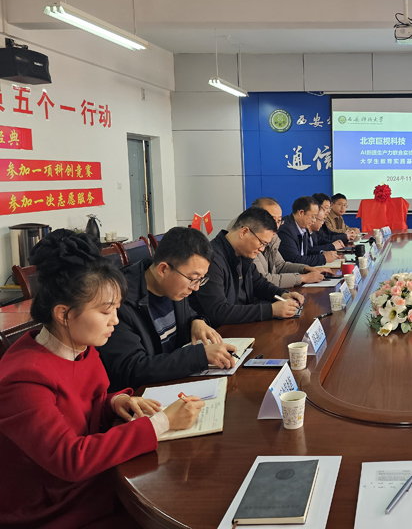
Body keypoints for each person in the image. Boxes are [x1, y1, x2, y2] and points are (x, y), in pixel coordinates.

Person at [0, 230, 204, 529]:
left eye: (117, 309)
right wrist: (162, 423)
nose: (115, 321)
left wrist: (114, 402)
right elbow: (71, 459)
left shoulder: (81, 347)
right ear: (63, 314)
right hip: (58, 507)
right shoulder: (22, 378)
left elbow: (83, 404)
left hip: (98, 481)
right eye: (106, 311)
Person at [98, 227, 239, 393]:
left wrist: (197, 321)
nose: (195, 288)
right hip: (142, 396)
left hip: (175, 383)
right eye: (193, 279)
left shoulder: (173, 288)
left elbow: (191, 314)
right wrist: (199, 356)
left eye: (201, 279)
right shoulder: (118, 301)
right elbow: (132, 369)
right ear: (163, 269)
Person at [190, 207, 304, 327]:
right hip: (219, 331)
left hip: (242, 325)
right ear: (244, 232)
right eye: (261, 243)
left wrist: (283, 294)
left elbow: (259, 284)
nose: (262, 249)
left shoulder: (243, 253)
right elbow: (219, 312)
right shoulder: (211, 260)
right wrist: (271, 310)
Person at [226, 197, 330, 288]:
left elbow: (280, 265)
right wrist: (302, 278)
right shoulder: (247, 240)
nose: (275, 226)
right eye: (271, 219)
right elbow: (262, 280)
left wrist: (306, 269)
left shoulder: (273, 236)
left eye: (279, 220)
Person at [278, 196, 341, 266]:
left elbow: (307, 251)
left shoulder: (302, 226)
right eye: (313, 216)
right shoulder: (286, 230)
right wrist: (323, 258)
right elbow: (295, 260)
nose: (314, 221)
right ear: (301, 213)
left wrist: (322, 253)